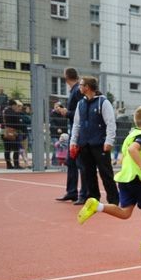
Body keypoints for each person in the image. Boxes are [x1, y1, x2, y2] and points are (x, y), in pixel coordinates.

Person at [76, 106, 141, 252]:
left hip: (125, 178)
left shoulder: (131, 134)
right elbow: (133, 150)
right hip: (139, 179)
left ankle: (97, 206)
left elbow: (127, 155)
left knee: (125, 212)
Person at [69, 76, 119, 206]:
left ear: (87, 87)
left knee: (106, 173)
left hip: (100, 144)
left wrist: (109, 141)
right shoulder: (81, 104)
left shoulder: (103, 102)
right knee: (88, 173)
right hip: (84, 144)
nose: (79, 87)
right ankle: (94, 198)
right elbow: (76, 124)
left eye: (81, 85)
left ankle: (114, 200)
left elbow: (111, 123)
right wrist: (73, 141)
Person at [57, 69, 86, 202]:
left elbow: (82, 111)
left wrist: (66, 112)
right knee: (72, 162)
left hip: (78, 132)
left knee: (79, 163)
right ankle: (72, 191)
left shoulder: (77, 91)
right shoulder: (74, 90)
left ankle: (83, 193)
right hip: (74, 131)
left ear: (66, 77)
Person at [0, 100, 23, 169]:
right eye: (16, 106)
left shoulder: (3, 112)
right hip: (12, 132)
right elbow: (18, 124)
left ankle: (8, 164)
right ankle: (16, 164)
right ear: (13, 105)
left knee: (7, 149)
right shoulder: (13, 113)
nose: (16, 107)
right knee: (16, 149)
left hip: (4, 132)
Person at [49, 102, 69, 167]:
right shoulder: (52, 114)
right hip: (55, 134)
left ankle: (64, 161)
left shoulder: (63, 114)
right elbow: (52, 123)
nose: (57, 108)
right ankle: (54, 162)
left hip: (64, 134)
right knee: (56, 147)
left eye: (59, 107)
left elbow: (66, 122)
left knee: (64, 148)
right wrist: (57, 128)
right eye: (56, 107)